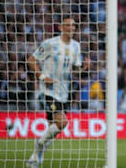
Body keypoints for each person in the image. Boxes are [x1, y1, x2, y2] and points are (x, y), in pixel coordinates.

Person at [26, 16, 88, 167]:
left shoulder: (76, 46)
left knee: (53, 130)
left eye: (73, 26)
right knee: (62, 123)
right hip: (48, 90)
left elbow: (75, 70)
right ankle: (38, 146)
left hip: (64, 92)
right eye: (68, 25)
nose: (71, 28)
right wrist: (42, 77)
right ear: (60, 27)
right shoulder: (50, 43)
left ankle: (34, 158)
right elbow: (31, 60)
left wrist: (83, 69)